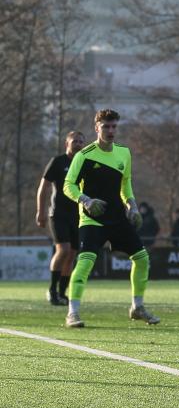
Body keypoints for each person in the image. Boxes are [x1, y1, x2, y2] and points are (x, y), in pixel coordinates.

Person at [62, 109, 159, 327]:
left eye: (114, 126)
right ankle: (73, 313)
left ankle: (137, 307)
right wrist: (86, 200)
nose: (111, 130)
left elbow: (126, 185)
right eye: (106, 126)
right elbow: (68, 185)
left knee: (142, 258)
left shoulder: (124, 153)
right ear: (97, 128)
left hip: (117, 218)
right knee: (86, 262)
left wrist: (132, 207)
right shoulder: (84, 155)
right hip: (91, 219)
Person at [36, 130, 86, 306]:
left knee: (72, 254)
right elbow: (44, 187)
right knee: (63, 250)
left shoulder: (85, 164)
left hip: (78, 215)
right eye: (75, 141)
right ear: (67, 143)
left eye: (81, 142)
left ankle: (62, 293)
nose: (78, 144)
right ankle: (51, 290)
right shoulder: (58, 162)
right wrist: (40, 212)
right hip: (58, 214)